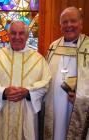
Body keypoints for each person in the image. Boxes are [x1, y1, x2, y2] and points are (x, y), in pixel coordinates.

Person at [0, 20, 51, 140]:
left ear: (27, 36)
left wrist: (28, 92)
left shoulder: (39, 60)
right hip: (3, 116)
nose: (17, 37)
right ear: (8, 35)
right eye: (13, 33)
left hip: (27, 116)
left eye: (21, 33)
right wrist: (3, 92)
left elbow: (45, 85)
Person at [44, 7, 89, 140]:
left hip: (79, 108)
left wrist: (81, 99)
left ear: (81, 24)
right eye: (64, 22)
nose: (69, 25)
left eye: (73, 21)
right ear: (60, 25)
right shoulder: (53, 47)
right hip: (54, 107)